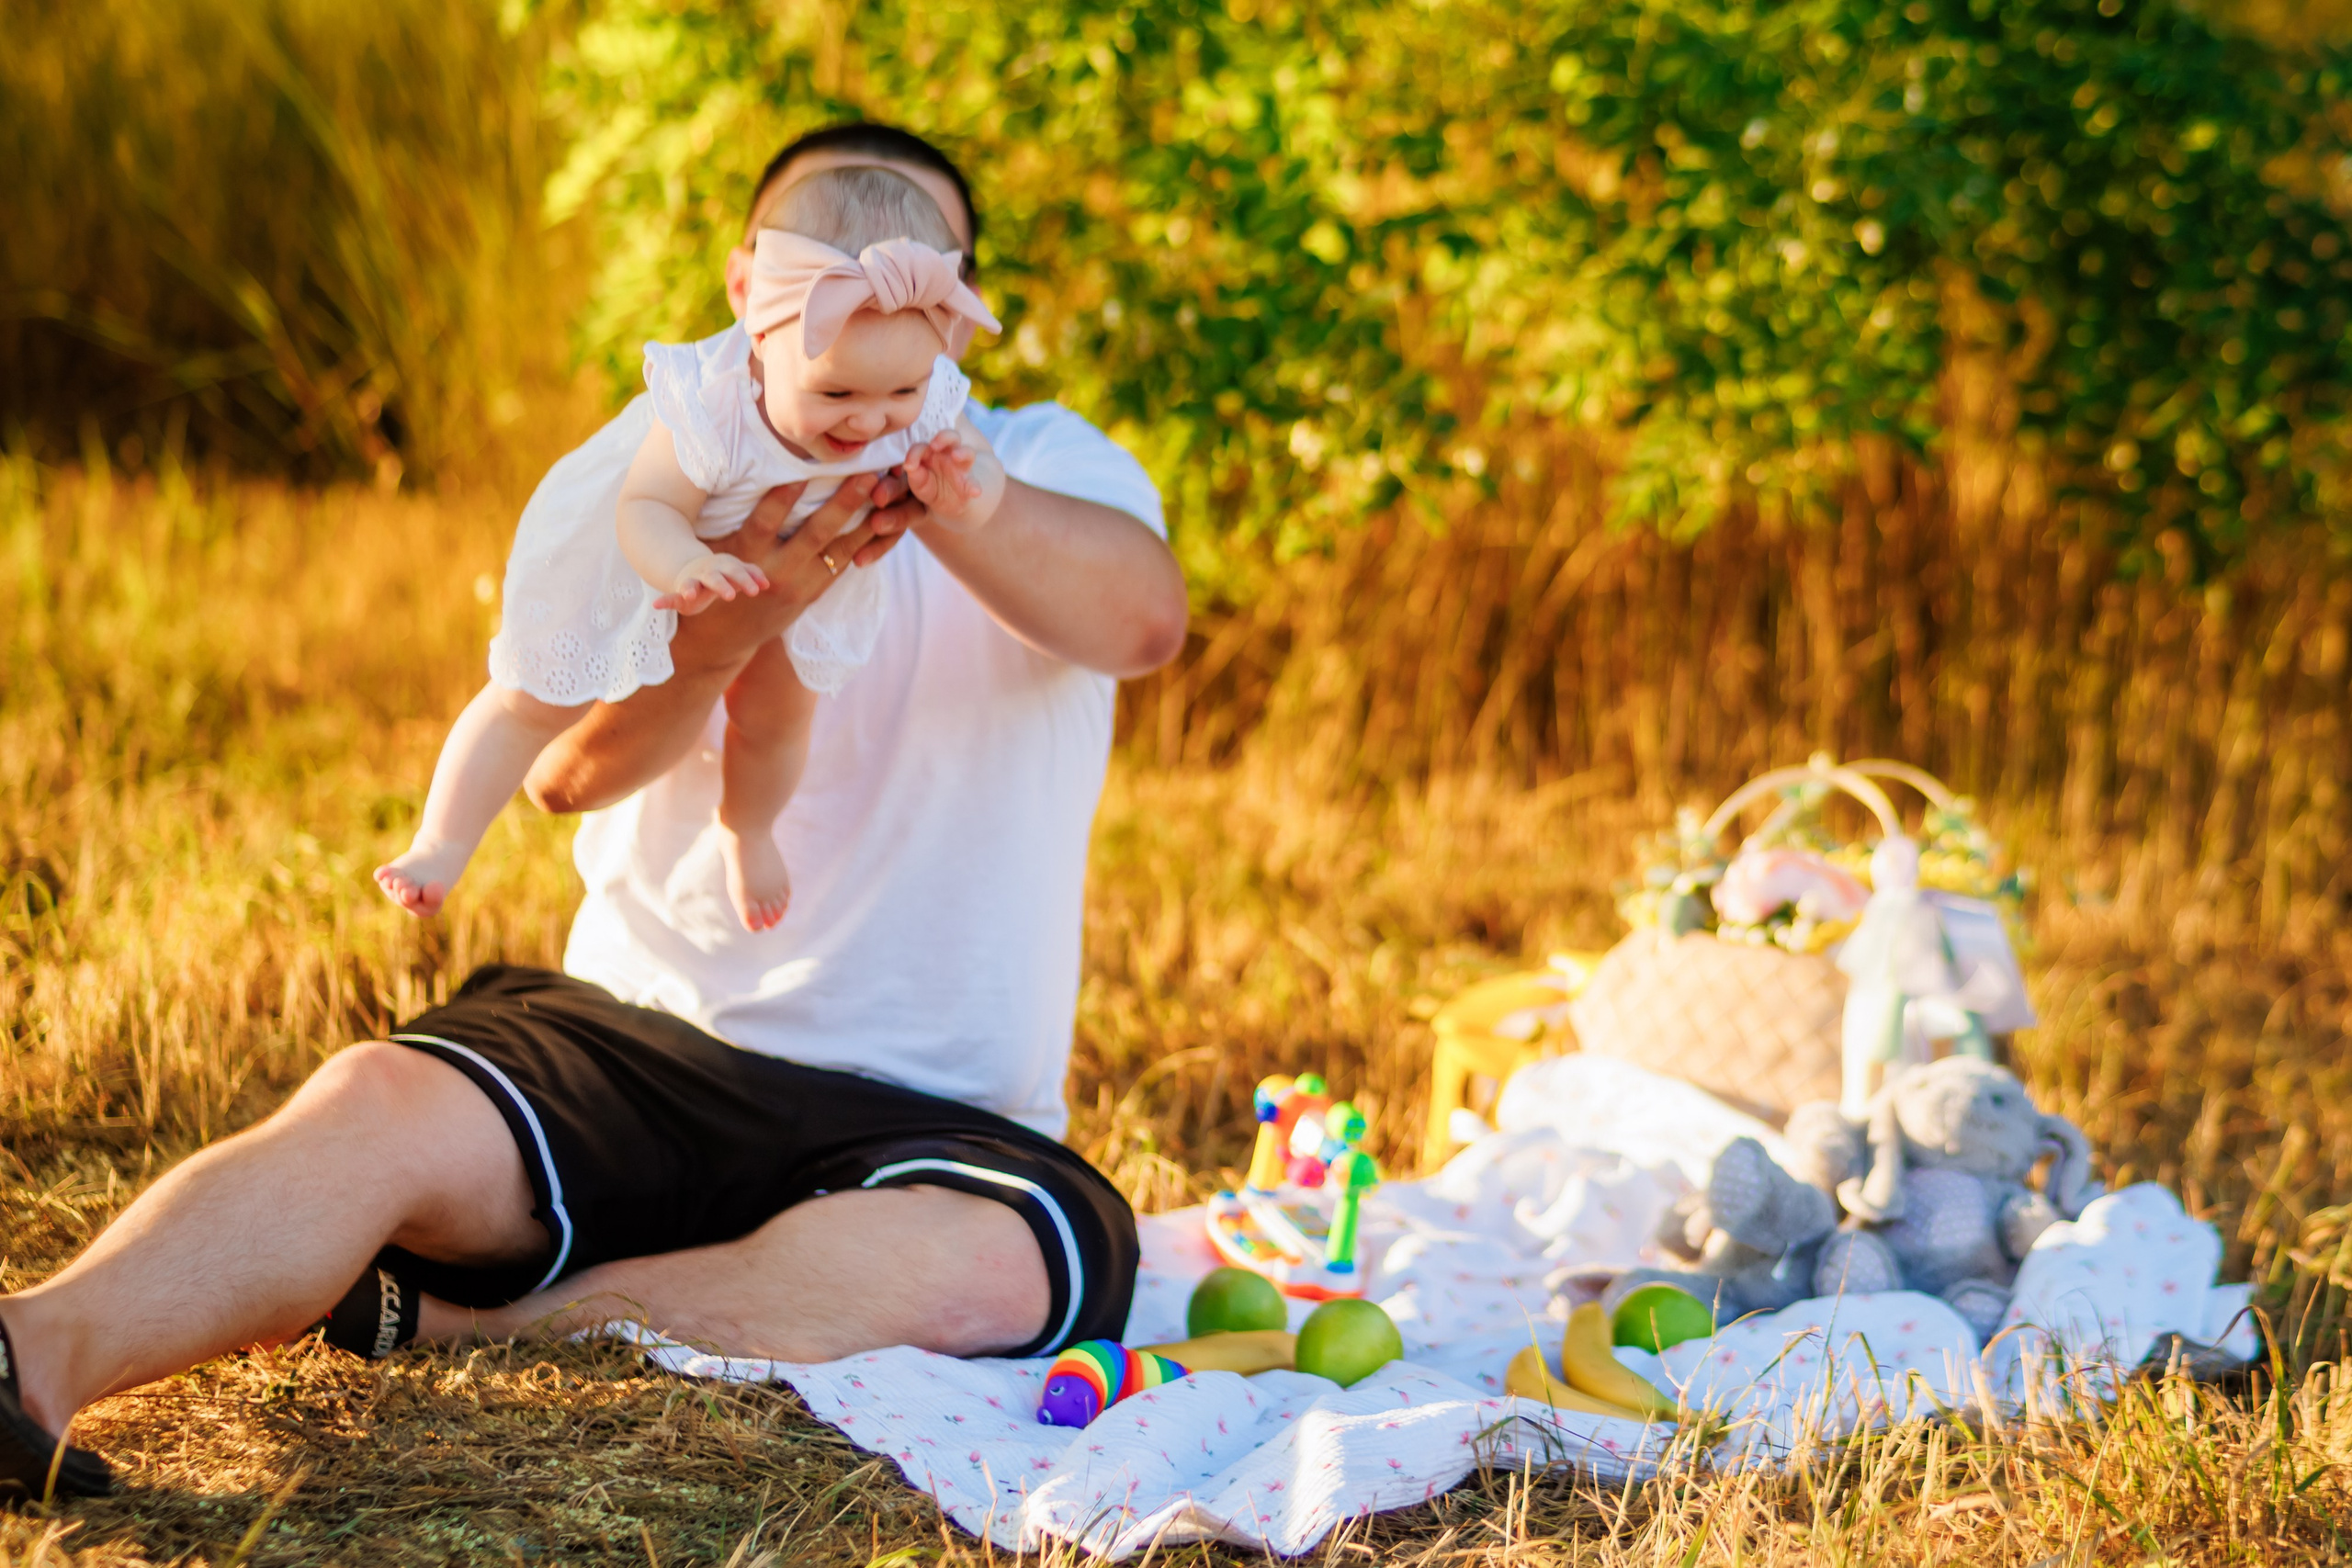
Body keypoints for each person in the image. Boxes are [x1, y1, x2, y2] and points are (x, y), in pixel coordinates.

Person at [0, 122, 1187, 1500]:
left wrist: (937, 482)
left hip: (935, 1120)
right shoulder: (683, 459)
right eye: (840, 277)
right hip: (637, 1042)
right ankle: (32, 1351)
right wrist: (745, 613)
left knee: (1003, 1261)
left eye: (913, 280)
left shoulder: (1043, 457)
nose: (876, 305)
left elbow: (1143, 618)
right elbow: (567, 774)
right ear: (751, 283)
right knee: (376, 1098)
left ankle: (479, 1322)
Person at [378, 166, 1004, 933]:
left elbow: (983, 494)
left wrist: (963, 489)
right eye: (837, 394)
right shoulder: (713, 405)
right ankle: (440, 842)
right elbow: (647, 506)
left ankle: (749, 826)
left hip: (797, 572)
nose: (874, 421)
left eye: (901, 394)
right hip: (650, 558)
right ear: (762, 332)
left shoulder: (920, 391)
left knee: (779, 716)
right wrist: (686, 566)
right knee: (532, 695)